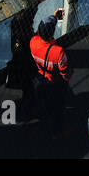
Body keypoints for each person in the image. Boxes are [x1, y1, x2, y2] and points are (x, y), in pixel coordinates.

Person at [30, 7, 72, 136]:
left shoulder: (33, 42)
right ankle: (58, 131)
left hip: (39, 78)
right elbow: (66, 75)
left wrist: (53, 17)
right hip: (54, 82)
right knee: (58, 109)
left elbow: (40, 31)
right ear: (52, 33)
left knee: (45, 105)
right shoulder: (58, 52)